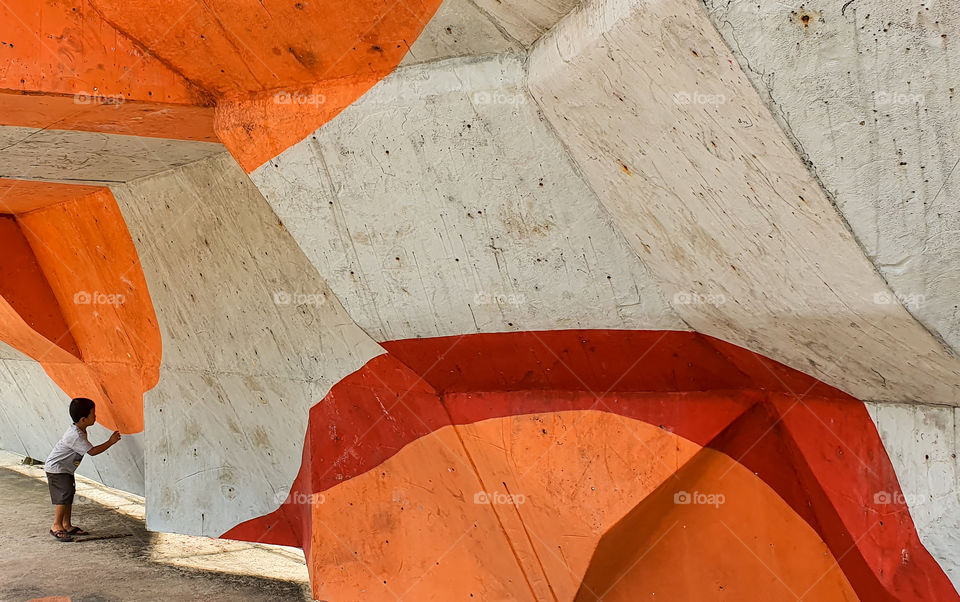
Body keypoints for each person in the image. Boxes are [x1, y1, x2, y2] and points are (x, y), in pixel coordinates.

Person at [44, 397, 121, 542]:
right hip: (57, 469)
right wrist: (110, 442)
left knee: (69, 494)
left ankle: (66, 524)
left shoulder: (79, 429)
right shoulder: (76, 436)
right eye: (93, 413)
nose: (95, 416)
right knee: (64, 494)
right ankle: (56, 525)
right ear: (84, 419)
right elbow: (93, 451)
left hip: (64, 469)